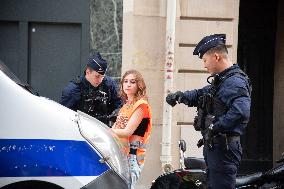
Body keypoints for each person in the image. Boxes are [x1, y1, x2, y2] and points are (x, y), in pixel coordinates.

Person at [166, 34, 252, 189]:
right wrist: (180, 96)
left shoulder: (235, 82)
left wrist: (215, 127)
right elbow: (201, 94)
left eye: (205, 60)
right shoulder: (223, 81)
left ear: (216, 56)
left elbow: (241, 112)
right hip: (216, 147)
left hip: (224, 149)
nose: (204, 65)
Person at [111, 70, 152, 189]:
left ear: (139, 85)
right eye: (125, 81)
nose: (128, 84)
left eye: (132, 82)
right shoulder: (125, 106)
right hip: (121, 154)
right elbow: (116, 127)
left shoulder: (141, 105)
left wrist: (108, 132)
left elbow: (127, 131)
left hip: (133, 157)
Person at [60, 52, 122, 126]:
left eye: (103, 76)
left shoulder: (109, 84)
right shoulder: (73, 90)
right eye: (97, 76)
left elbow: (119, 105)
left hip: (104, 129)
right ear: (88, 72)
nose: (100, 80)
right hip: (80, 131)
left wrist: (116, 113)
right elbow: (63, 116)